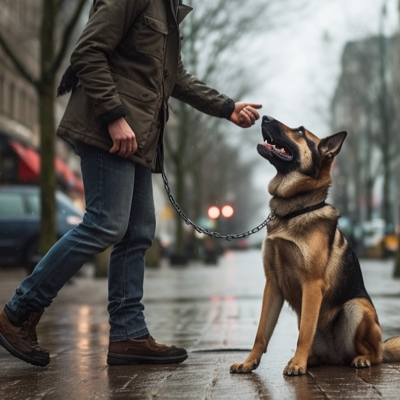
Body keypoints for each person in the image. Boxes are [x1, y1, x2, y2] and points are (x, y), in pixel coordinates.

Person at [0, 0, 261, 367]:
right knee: (105, 223)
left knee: (138, 231)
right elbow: (88, 52)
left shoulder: (168, 9)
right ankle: (18, 312)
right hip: (108, 129)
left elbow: (174, 78)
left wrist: (226, 107)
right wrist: (113, 116)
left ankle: (128, 335)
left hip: (137, 138)